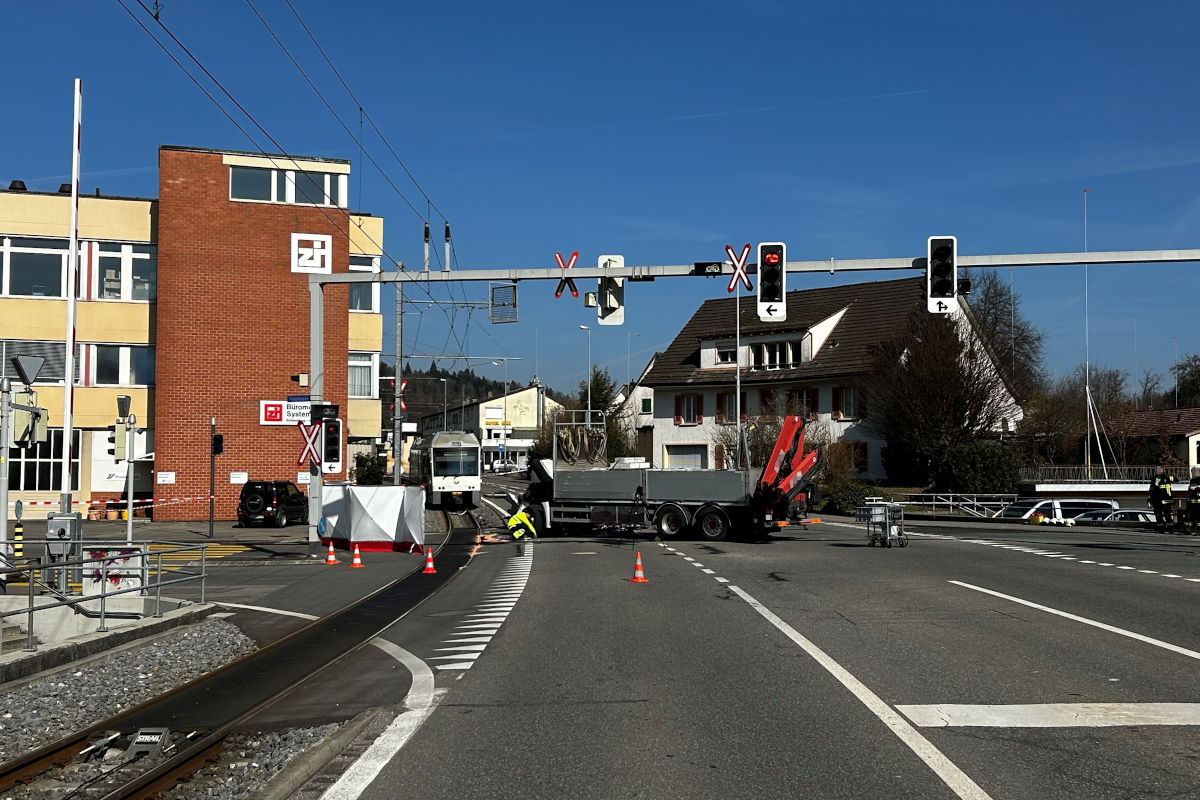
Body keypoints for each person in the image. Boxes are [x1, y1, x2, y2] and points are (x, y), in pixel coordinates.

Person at [1149, 465, 1176, 533]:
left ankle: (1170, 528)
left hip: (1166, 501)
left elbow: (1176, 479)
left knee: (1167, 515)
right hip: (1157, 501)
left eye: (1158, 469)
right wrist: (1149, 499)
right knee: (1158, 515)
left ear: (1162, 470)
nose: (1157, 471)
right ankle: (1160, 528)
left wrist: (1167, 479)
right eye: (1156, 469)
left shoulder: (1166, 477)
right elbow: (1151, 489)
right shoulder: (1154, 478)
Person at [1188, 466, 1200, 535]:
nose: (1193, 473)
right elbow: (1190, 490)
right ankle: (1195, 529)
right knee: (1194, 517)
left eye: (1195, 472)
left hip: (1199, 502)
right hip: (1193, 503)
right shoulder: (1192, 480)